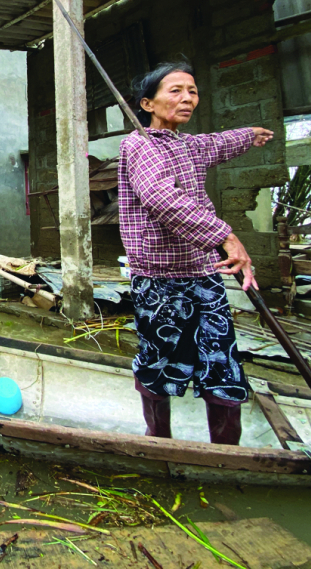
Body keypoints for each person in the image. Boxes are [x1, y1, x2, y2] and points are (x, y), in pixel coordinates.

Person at [118, 60, 274, 446]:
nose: (187, 98)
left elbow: (217, 143)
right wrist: (226, 236)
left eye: (192, 91)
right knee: (160, 362)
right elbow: (160, 197)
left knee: (221, 361)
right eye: (175, 91)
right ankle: (160, 441)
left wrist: (249, 134)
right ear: (148, 104)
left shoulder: (185, 145)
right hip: (159, 281)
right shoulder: (139, 144)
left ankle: (226, 451)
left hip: (203, 274)